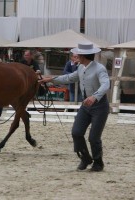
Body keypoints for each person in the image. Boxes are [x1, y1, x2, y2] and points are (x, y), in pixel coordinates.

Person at [39, 42, 110, 172]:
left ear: (83, 55)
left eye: (77, 54)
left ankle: (98, 163)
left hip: (100, 106)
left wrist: (94, 96)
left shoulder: (100, 68)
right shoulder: (80, 68)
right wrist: (51, 79)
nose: (75, 55)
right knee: (76, 132)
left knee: (94, 137)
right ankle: (85, 158)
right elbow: (69, 78)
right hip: (86, 105)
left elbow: (106, 85)